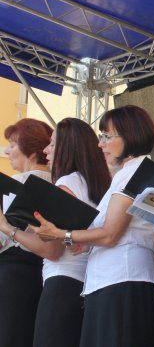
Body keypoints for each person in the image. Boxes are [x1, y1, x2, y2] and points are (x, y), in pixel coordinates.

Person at [32, 105, 154, 347]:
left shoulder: (135, 172)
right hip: (111, 279)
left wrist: (61, 233)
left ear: (131, 135)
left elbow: (111, 234)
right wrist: (82, 240)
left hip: (123, 278)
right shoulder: (125, 174)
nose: (100, 144)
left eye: (106, 137)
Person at [0, 118, 111, 347]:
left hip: (62, 282)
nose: (46, 150)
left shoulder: (66, 183)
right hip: (84, 283)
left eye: (52, 143)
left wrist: (7, 228)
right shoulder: (98, 183)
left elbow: (51, 249)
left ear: (66, 148)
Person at [0, 118, 52, 347]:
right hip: (45, 272)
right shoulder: (59, 181)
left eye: (13, 145)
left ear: (31, 151)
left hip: (13, 271)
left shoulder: (17, 183)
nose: (8, 151)